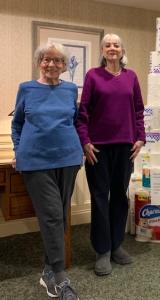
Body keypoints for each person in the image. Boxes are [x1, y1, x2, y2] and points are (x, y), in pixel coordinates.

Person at [11, 42, 83, 299]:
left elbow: (74, 121)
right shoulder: (26, 88)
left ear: (64, 65)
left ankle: (47, 272)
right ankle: (61, 277)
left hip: (68, 159)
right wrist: (19, 152)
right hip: (36, 161)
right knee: (52, 215)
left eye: (57, 60)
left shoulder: (70, 89)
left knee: (59, 217)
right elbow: (17, 123)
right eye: (46, 59)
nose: (51, 64)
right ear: (39, 62)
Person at [76, 33, 145, 276]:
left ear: (122, 49)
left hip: (125, 147)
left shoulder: (131, 76)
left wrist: (140, 137)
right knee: (99, 198)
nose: (112, 48)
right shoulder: (93, 76)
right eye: (107, 45)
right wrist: (84, 141)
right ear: (102, 50)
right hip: (98, 149)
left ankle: (116, 245)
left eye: (116, 45)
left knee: (119, 196)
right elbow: (82, 112)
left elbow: (138, 109)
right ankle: (102, 250)